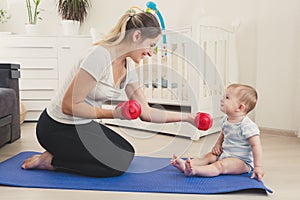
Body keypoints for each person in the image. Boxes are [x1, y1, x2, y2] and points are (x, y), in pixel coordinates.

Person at [21, 10, 197, 177]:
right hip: (56, 126)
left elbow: (147, 113)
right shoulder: (100, 56)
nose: (151, 53)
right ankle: (50, 161)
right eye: (151, 45)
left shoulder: (128, 67)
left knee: (126, 153)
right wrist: (115, 114)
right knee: (114, 166)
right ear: (137, 36)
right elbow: (69, 106)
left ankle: (62, 153)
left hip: (82, 124)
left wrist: (188, 118)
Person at [171, 83, 264, 181]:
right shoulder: (225, 120)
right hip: (224, 153)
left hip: (241, 161)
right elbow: (223, 133)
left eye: (227, 98)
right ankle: (186, 165)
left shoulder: (247, 126)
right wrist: (218, 145)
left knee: (220, 166)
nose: (222, 99)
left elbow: (256, 146)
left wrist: (258, 166)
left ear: (240, 108)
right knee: (207, 157)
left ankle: (194, 170)